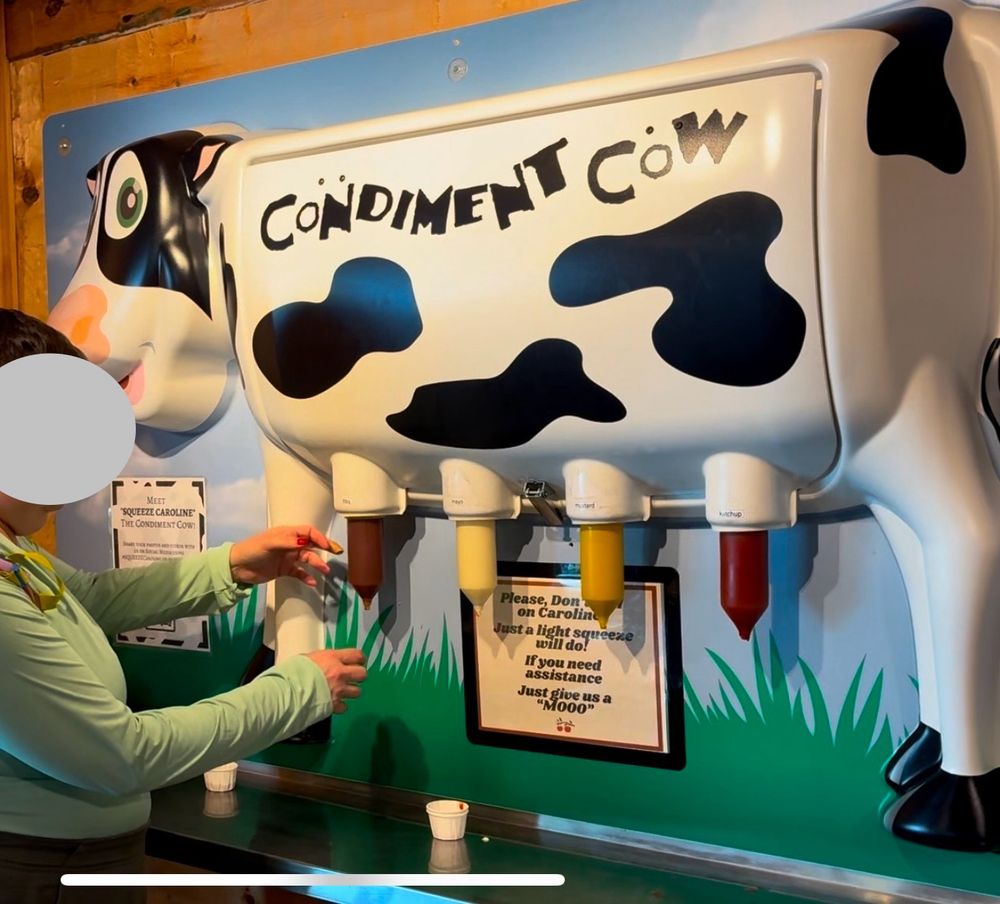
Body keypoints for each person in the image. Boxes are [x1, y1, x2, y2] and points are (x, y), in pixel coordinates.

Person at [0, 309, 367, 903]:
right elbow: (119, 754)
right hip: (39, 871)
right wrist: (298, 691)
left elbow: (83, 600)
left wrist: (232, 566)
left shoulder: (10, 547)